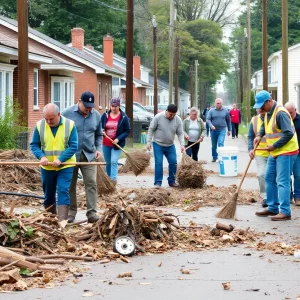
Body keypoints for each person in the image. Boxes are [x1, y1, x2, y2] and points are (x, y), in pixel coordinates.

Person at [253, 90, 298, 221]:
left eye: (262, 105)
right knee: (269, 177)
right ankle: (273, 207)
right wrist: (259, 135)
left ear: (269, 101)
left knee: (282, 181)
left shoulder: (281, 113)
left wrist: (274, 145)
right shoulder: (267, 112)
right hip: (275, 152)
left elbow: (288, 133)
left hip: (287, 151)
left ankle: (285, 211)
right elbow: (264, 126)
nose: (260, 108)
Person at [30, 103, 78, 221]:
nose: (48, 121)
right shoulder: (40, 125)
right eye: (46, 118)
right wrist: (41, 157)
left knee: (62, 190)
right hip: (47, 168)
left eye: (51, 119)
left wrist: (60, 159)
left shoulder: (70, 125)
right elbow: (34, 145)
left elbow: (73, 146)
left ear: (58, 114)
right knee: (48, 194)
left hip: (65, 166)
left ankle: (62, 222)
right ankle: (50, 219)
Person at [62, 91, 102, 224]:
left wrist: (98, 149)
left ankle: (92, 213)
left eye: (91, 107)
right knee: (70, 185)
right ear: (79, 101)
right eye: (86, 107)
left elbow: (99, 134)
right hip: (70, 156)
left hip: (89, 155)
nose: (88, 109)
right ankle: (70, 213)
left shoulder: (96, 115)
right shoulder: (66, 114)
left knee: (91, 183)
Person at [147, 104, 185, 188]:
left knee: (173, 162)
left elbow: (180, 133)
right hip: (158, 144)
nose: (172, 116)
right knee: (159, 162)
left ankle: (172, 181)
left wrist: (182, 144)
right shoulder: (158, 117)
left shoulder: (178, 120)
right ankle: (157, 182)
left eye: (174, 115)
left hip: (170, 145)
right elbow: (151, 129)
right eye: (170, 114)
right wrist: (148, 142)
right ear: (166, 111)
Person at [101, 97, 130, 180]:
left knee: (114, 161)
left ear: (119, 106)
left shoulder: (124, 117)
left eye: (116, 106)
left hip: (117, 144)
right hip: (106, 143)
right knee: (108, 163)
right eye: (112, 106)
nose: (114, 108)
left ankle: (113, 180)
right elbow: (99, 126)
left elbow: (127, 130)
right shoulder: (105, 115)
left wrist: (118, 138)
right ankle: (108, 179)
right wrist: (102, 131)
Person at [248, 109, 268, 208]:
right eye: (259, 110)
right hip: (260, 153)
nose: (261, 111)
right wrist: (250, 149)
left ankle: (276, 197)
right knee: (261, 174)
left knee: (274, 177)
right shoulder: (254, 120)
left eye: (262, 109)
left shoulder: (273, 118)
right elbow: (250, 136)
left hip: (274, 152)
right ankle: (265, 197)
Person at [285, 101, 300, 206]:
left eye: (291, 112)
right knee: (287, 176)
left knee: (298, 175)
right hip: (287, 152)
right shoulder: (283, 120)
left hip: (298, 153)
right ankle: (289, 196)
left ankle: (297, 196)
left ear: (295, 110)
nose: (289, 114)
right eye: (287, 112)